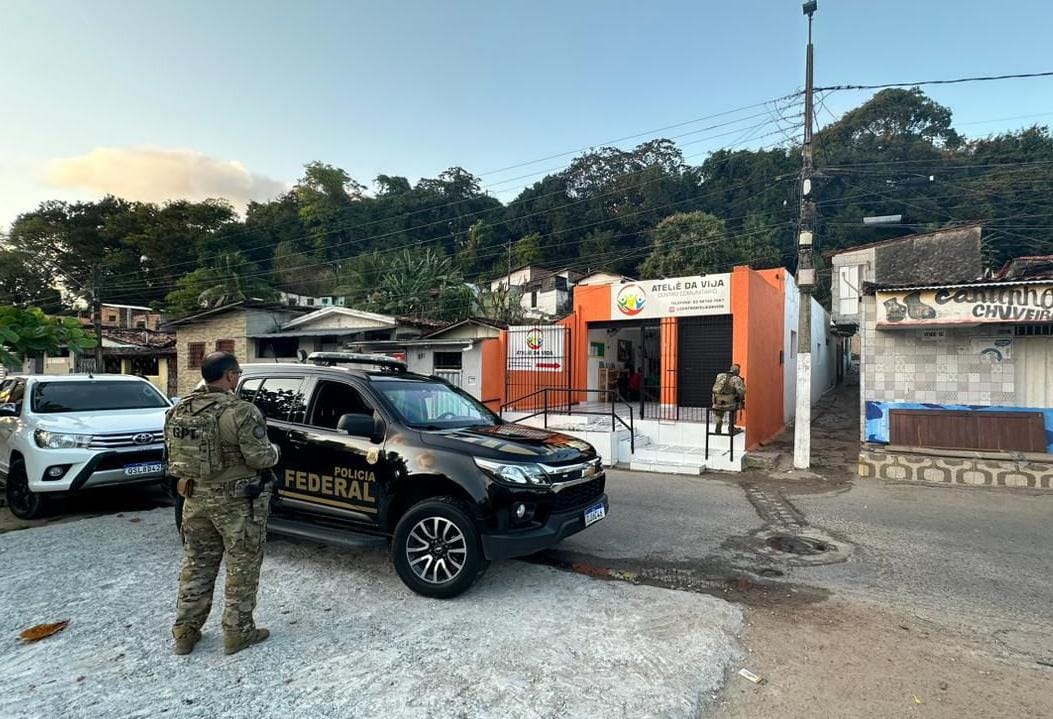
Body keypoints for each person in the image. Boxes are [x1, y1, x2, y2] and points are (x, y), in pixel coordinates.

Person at [166, 351, 280, 656]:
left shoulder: (181, 409)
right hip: (236, 501)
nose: (238, 377)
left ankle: (185, 633)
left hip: (193, 498)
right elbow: (259, 457)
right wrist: (275, 452)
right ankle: (237, 632)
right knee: (241, 565)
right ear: (229, 376)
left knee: (197, 565)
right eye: (237, 373)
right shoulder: (241, 411)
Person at [711, 363, 746, 435]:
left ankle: (718, 422)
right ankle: (731, 427)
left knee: (718, 413)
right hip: (729, 404)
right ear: (737, 371)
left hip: (716, 401)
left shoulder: (720, 375)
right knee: (734, 410)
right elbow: (741, 392)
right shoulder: (736, 379)